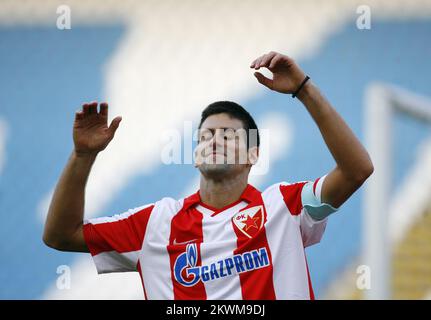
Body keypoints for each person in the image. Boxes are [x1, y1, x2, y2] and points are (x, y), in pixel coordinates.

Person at [43, 51, 374, 299]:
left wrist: (303, 89)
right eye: (205, 136)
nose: (215, 139)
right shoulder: (156, 224)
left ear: (253, 155)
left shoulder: (285, 207)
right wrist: (83, 156)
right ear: (195, 157)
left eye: (228, 136)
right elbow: (60, 235)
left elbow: (356, 170)